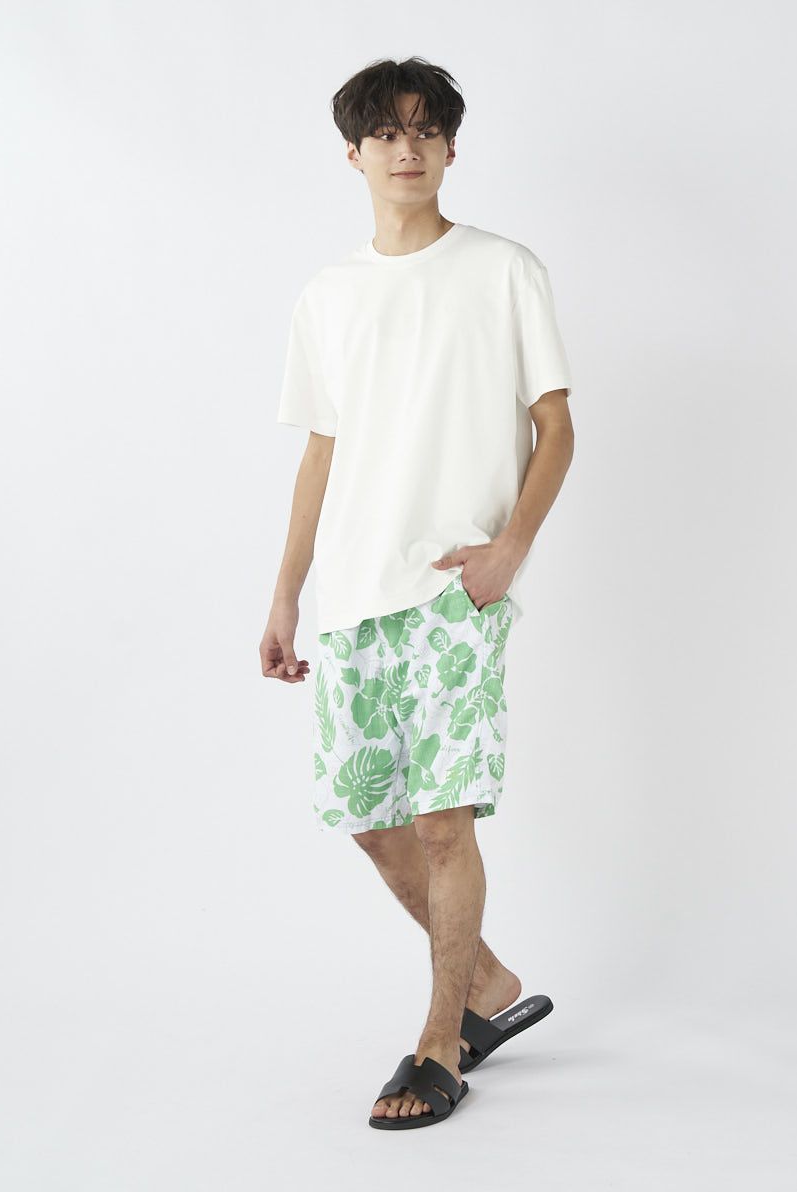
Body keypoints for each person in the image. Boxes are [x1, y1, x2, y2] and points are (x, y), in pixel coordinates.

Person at [260, 56, 575, 1129]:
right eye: (388, 133)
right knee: (369, 815)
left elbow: (555, 425)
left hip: (452, 594)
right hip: (351, 592)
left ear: (449, 147)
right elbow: (321, 452)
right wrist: (285, 596)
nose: (408, 148)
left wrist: (507, 553)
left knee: (445, 824)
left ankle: (442, 1041)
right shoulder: (327, 295)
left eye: (426, 129)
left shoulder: (502, 270)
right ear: (352, 154)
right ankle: (485, 982)